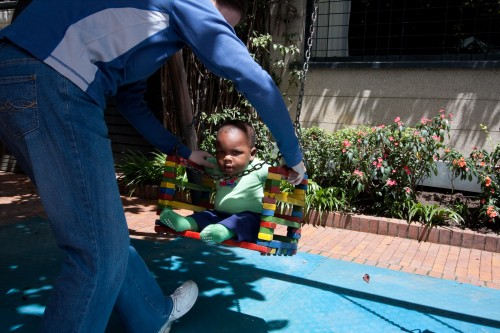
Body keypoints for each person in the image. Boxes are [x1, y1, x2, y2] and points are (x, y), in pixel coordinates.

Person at [0, 0, 306, 332]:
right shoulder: (191, 2)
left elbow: (130, 99)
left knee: (103, 234)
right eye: (219, 24)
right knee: (98, 255)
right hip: (54, 81)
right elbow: (255, 81)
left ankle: (151, 315)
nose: (213, 33)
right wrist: (294, 157)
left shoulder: (147, 28)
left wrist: (182, 152)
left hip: (13, 71)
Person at [160, 120, 269, 244]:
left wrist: (290, 167)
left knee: (243, 220)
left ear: (252, 153)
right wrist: (188, 155)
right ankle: (183, 223)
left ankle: (223, 232)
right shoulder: (215, 166)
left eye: (235, 152)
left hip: (249, 219)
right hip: (219, 215)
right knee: (206, 216)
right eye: (221, 152)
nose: (227, 158)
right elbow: (197, 161)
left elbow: (281, 173)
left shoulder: (259, 168)